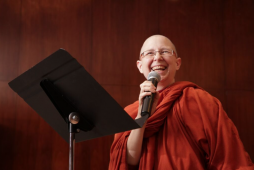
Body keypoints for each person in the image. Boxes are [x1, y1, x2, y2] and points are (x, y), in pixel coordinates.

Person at [109, 35, 254, 170]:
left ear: (177, 63)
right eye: (150, 53)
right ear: (140, 66)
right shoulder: (129, 113)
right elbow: (128, 160)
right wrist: (142, 115)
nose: (158, 57)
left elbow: (228, 156)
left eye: (165, 51)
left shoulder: (200, 100)